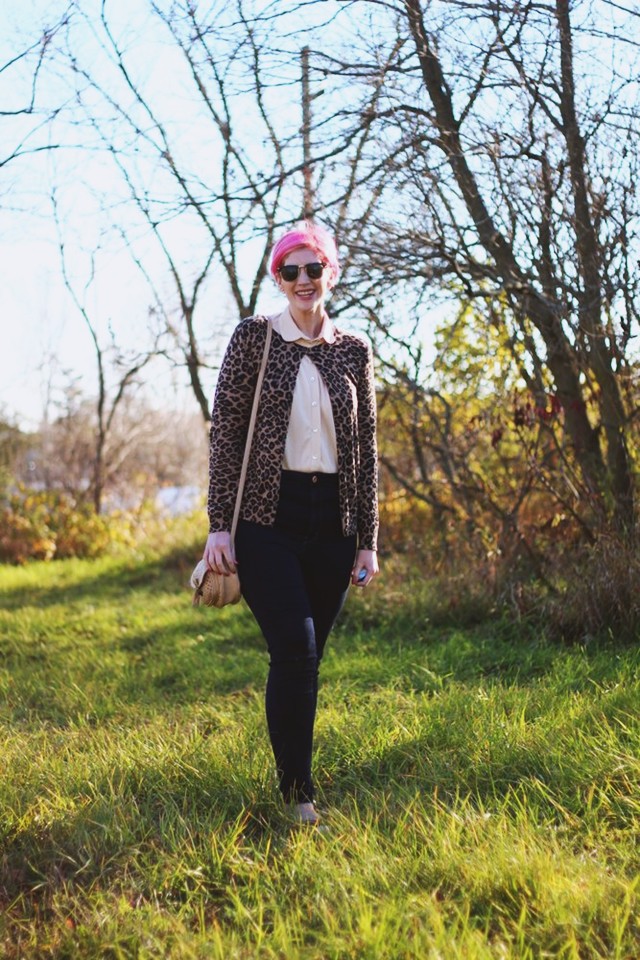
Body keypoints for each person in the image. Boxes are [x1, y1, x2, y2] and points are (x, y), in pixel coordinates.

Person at [203, 220, 379, 826]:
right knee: (296, 651)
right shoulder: (255, 338)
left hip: (333, 521)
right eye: (290, 271)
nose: (303, 280)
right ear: (278, 279)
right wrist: (219, 525)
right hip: (264, 518)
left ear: (331, 273)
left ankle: (294, 780)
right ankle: (298, 795)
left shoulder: (353, 350)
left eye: (314, 269)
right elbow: (226, 429)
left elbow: (366, 448)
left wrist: (368, 541)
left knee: (309, 657)